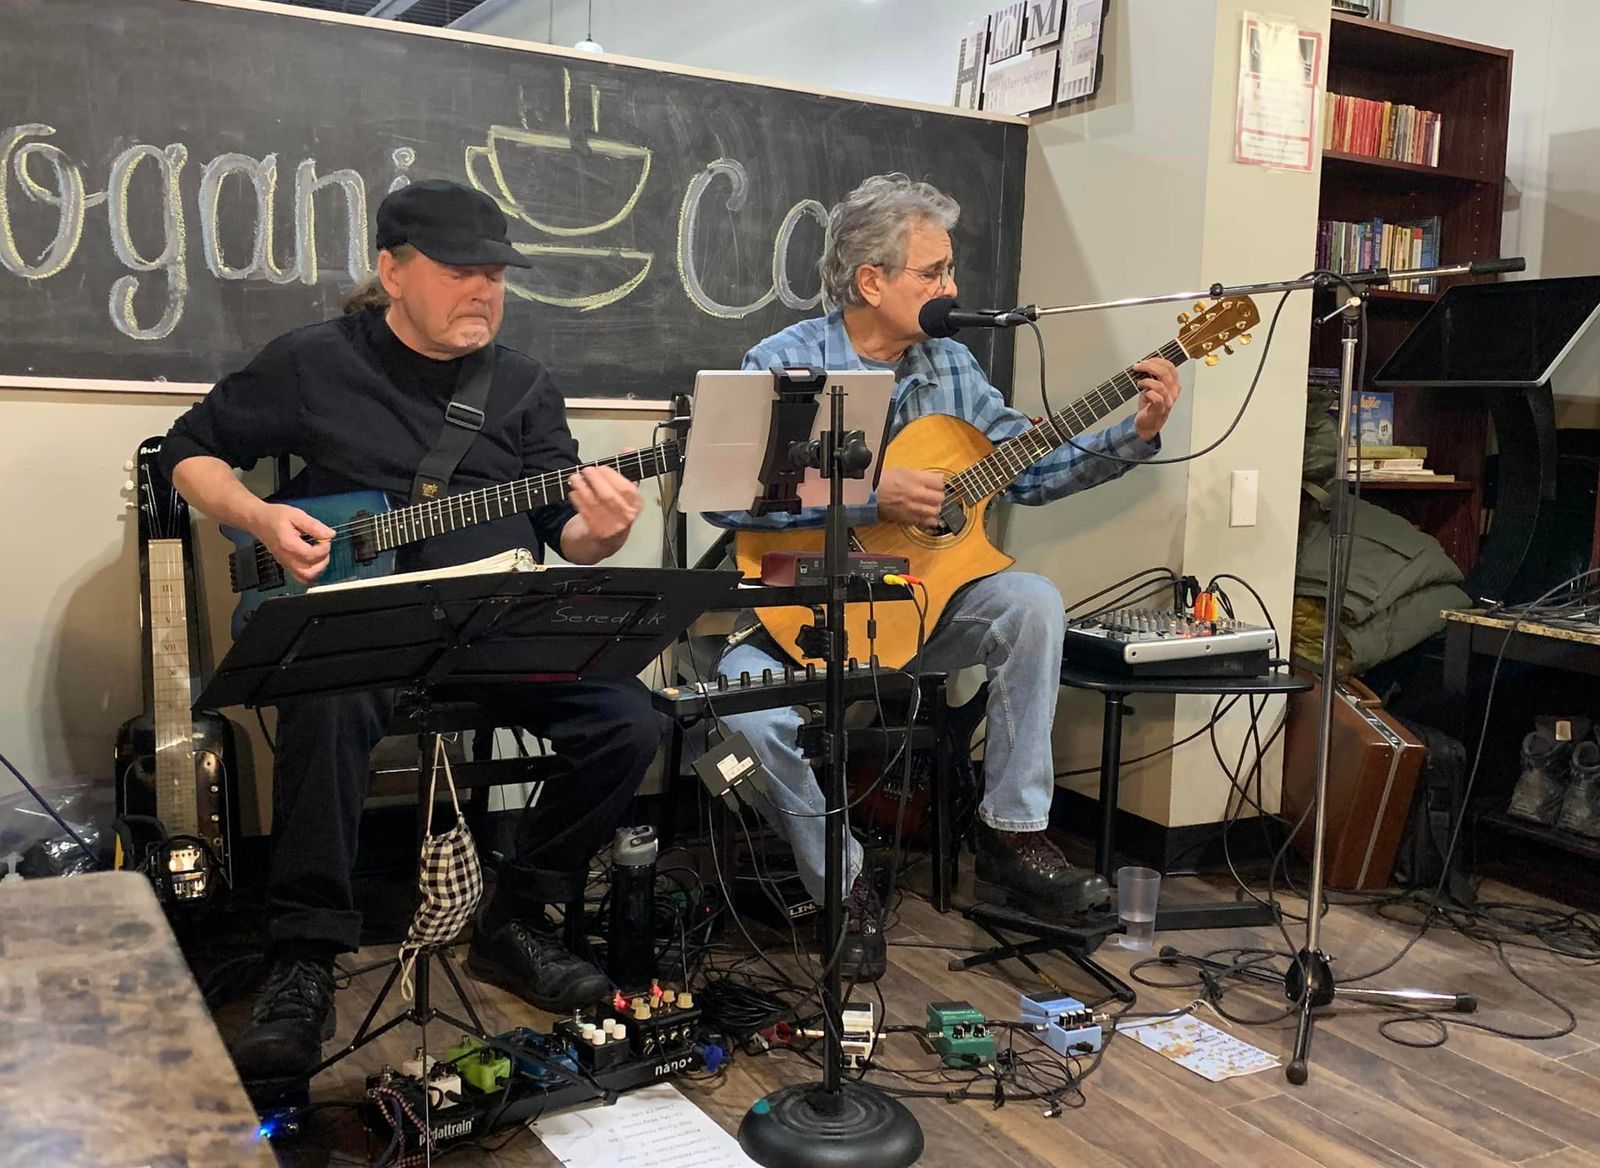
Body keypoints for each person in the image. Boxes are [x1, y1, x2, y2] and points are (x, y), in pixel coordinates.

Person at [160, 180, 659, 1083]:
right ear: (393, 272)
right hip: (367, 624)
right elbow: (187, 452)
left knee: (629, 720)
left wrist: (607, 530)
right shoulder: (314, 362)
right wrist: (262, 518)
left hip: (494, 625)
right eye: (460, 271)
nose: (484, 291)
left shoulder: (522, 385)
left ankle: (516, 918)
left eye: (495, 275)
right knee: (327, 696)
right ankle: (305, 958)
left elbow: (569, 535)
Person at [708, 173, 1180, 980]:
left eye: (949, 269)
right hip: (803, 615)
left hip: (921, 612)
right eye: (933, 272)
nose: (951, 288)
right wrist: (868, 494)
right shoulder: (785, 362)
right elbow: (727, 497)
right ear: (871, 280)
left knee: (1030, 601)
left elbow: (1029, 472)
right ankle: (844, 885)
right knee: (747, 722)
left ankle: (1012, 834)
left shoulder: (953, 365)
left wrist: (1134, 432)